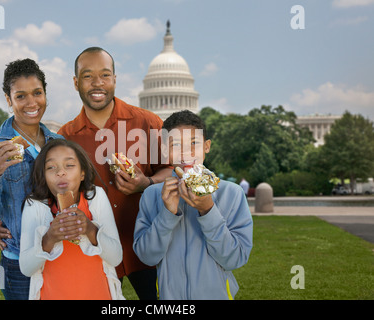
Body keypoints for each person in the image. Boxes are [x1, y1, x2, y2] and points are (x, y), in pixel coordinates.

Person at [57, 47, 172, 299]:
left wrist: (146, 182)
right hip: (97, 248)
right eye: (87, 76)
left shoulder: (148, 123)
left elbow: (175, 170)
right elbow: (53, 190)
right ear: (75, 83)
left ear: (115, 80)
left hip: (148, 244)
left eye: (105, 75)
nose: (97, 83)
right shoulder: (64, 138)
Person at [133, 110, 253, 300]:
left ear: (206, 146)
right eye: (175, 144)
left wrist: (208, 210)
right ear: (164, 150)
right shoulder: (151, 195)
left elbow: (235, 258)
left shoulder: (232, 193)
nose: (185, 152)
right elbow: (147, 257)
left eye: (194, 143)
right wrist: (166, 214)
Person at [0, 58, 64, 300]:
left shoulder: (60, 144)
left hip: (62, 256)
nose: (31, 103)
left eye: (37, 93)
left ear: (45, 94)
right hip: (17, 263)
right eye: (21, 96)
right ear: (8, 99)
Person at [19, 139, 124, 300]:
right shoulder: (35, 206)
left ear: (82, 173)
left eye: (69, 165)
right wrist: (49, 238)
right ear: (44, 176)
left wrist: (90, 229)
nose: (60, 172)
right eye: (51, 167)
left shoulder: (96, 197)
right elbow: (26, 268)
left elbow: (116, 257)